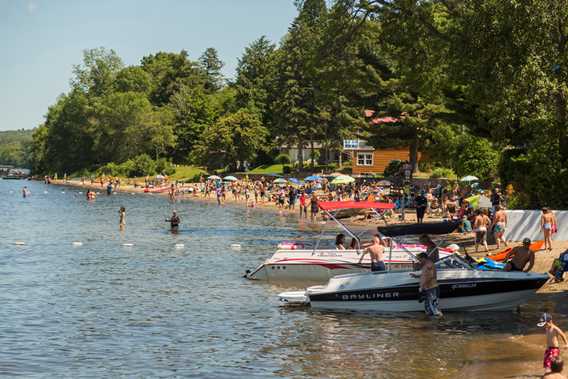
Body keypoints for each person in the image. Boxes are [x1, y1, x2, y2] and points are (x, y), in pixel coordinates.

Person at [410, 252, 442, 317]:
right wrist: (417, 276)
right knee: (428, 309)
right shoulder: (426, 265)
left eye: (420, 259)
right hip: (428, 289)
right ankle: (431, 325)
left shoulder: (429, 265)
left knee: (434, 309)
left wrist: (421, 287)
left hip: (432, 289)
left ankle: (437, 324)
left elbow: (430, 276)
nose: (419, 261)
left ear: (424, 258)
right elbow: (425, 275)